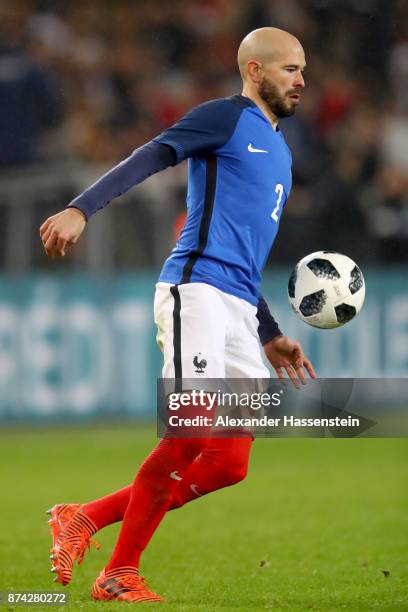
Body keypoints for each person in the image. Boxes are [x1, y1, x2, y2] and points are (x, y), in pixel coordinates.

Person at [40, 27, 315, 604]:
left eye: (303, 68)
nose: (301, 79)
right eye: (289, 69)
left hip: (239, 307)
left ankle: (83, 516)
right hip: (196, 293)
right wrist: (80, 208)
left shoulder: (282, 152)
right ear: (255, 71)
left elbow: (245, 253)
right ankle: (119, 573)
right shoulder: (224, 118)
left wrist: (269, 333)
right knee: (189, 431)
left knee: (229, 462)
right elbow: (150, 155)